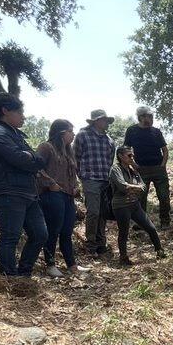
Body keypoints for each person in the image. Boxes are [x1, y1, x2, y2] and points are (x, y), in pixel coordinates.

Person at [0, 93, 48, 279]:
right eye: (20, 112)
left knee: (40, 234)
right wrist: (28, 157)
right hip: (8, 190)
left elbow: (39, 160)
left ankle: (23, 273)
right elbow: (17, 158)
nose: (23, 116)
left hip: (28, 191)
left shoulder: (16, 134)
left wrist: (29, 156)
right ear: (5, 111)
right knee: (11, 236)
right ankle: (9, 277)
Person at [37, 119, 88, 277]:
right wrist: (50, 183)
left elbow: (72, 173)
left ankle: (71, 265)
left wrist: (75, 186)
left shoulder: (69, 150)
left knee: (66, 231)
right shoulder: (46, 147)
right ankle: (50, 265)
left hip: (68, 196)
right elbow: (37, 168)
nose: (73, 134)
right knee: (53, 230)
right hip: (52, 195)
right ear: (61, 132)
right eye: (70, 131)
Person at [110, 145, 165, 265]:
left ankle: (159, 251)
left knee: (150, 227)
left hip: (134, 204)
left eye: (132, 155)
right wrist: (135, 188)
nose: (132, 157)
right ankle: (123, 258)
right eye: (129, 155)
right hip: (121, 205)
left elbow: (144, 187)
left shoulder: (133, 169)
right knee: (123, 231)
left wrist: (133, 188)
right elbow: (122, 186)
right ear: (120, 156)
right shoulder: (115, 169)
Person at [75, 109, 117, 255]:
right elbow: (76, 157)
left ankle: (101, 243)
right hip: (90, 178)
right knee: (93, 211)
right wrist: (80, 175)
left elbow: (110, 161)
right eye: (104, 120)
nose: (106, 123)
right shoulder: (82, 136)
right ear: (96, 121)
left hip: (105, 180)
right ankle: (91, 244)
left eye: (107, 120)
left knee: (102, 213)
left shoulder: (109, 140)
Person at [124, 106, 170, 228]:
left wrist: (163, 165)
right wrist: (133, 165)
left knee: (164, 196)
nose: (150, 119)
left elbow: (165, 150)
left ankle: (165, 222)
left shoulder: (156, 131)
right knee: (141, 198)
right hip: (141, 170)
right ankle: (141, 223)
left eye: (151, 116)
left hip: (158, 169)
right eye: (147, 116)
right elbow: (126, 150)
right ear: (140, 117)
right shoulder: (131, 131)